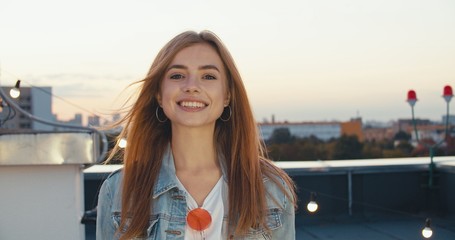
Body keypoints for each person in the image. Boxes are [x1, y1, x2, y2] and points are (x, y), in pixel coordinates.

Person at [96, 30, 296, 240]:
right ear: (159, 95)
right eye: (177, 76)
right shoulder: (118, 190)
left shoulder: (270, 188)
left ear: (227, 95)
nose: (191, 86)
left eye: (208, 76)